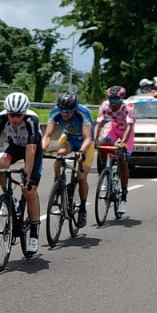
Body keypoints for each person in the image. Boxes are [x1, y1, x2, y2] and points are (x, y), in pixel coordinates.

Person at [0, 91, 42, 254]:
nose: (15, 119)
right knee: (0, 166)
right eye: (12, 114)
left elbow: (31, 151)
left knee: (30, 191)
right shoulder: (0, 119)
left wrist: (26, 178)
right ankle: (11, 200)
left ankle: (34, 233)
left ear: (24, 113)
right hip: (13, 146)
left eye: (19, 115)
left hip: (32, 148)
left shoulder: (32, 120)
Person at [43, 92, 95, 227]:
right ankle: (58, 184)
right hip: (70, 138)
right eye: (62, 111)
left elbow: (88, 138)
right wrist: (41, 149)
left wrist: (82, 152)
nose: (65, 114)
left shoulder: (83, 112)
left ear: (75, 109)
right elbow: (47, 135)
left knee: (82, 176)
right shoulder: (55, 112)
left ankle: (82, 208)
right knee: (59, 154)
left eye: (68, 111)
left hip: (85, 142)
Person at [94, 84, 136, 218]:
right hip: (113, 129)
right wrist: (95, 140)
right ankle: (104, 176)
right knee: (102, 144)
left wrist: (123, 142)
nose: (112, 103)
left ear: (121, 99)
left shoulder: (128, 107)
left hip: (126, 132)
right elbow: (99, 124)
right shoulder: (104, 105)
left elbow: (129, 127)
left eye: (116, 101)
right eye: (111, 100)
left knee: (122, 159)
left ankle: (123, 196)